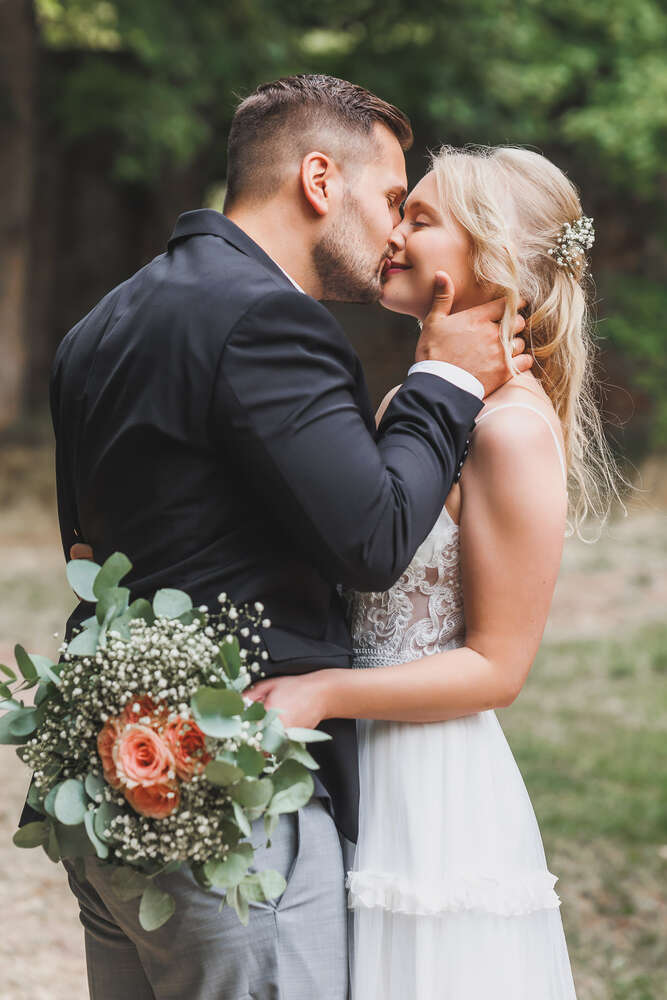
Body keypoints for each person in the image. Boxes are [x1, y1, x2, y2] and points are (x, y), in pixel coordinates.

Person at [31, 78, 530, 999]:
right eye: (389, 198)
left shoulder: (98, 326)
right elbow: (375, 539)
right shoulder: (268, 319)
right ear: (316, 179)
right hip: (227, 802)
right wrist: (443, 382)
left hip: (110, 790)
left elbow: (84, 558)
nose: (393, 231)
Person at [248, 145, 620, 998]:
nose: (391, 233)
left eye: (419, 218)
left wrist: (323, 692)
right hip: (351, 765)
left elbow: (498, 667)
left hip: (432, 792)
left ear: (492, 259)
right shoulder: (413, 404)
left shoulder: (511, 432)